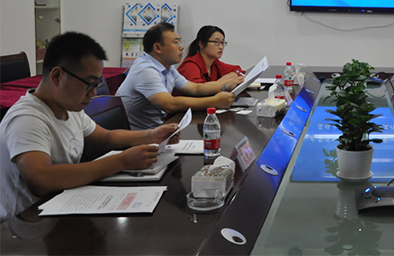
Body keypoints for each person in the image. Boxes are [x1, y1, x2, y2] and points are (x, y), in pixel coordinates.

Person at [0, 32, 179, 222]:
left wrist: (151, 135)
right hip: (25, 224)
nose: (93, 93)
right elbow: (41, 180)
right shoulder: (27, 117)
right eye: (89, 84)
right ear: (58, 76)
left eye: (97, 84)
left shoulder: (69, 108)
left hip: (59, 208)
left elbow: (106, 137)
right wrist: (121, 161)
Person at [116, 22, 239, 130]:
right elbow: (170, 104)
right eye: (176, 42)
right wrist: (214, 101)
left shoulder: (167, 68)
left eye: (180, 41)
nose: (181, 47)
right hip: (139, 138)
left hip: (158, 129)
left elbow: (195, 88)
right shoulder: (146, 70)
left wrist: (225, 86)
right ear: (157, 48)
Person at [178, 25, 244, 84]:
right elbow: (199, 90)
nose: (221, 47)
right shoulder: (190, 65)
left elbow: (238, 71)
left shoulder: (214, 63)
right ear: (201, 44)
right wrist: (219, 84)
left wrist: (229, 77)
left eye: (222, 42)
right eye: (217, 42)